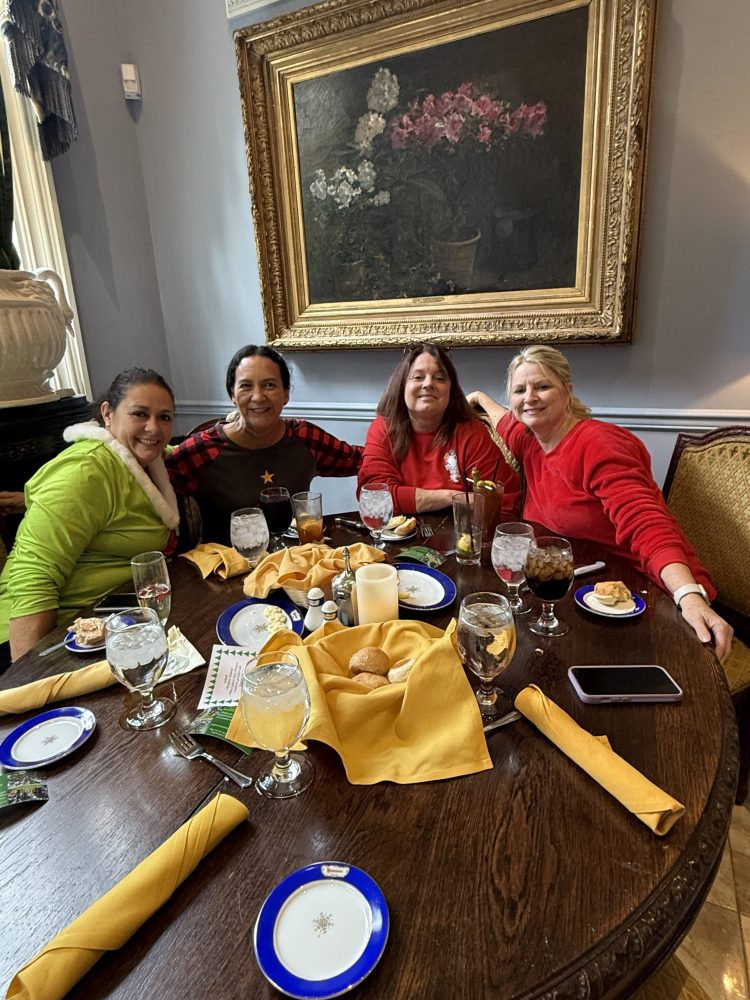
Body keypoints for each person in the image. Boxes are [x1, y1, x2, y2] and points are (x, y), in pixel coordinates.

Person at [469, 345, 733, 661]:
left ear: (567, 391)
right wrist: (480, 398)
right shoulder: (531, 441)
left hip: (649, 597)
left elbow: (645, 523)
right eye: (519, 390)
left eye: (542, 386)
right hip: (582, 589)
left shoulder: (599, 443)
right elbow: (506, 423)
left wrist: (689, 596)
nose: (529, 398)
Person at [0, 368, 180, 666]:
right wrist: (30, 683)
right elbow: (34, 577)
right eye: (139, 414)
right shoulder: (86, 470)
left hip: (111, 622)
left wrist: (233, 427)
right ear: (107, 413)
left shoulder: (146, 461)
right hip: (50, 637)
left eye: (164, 417)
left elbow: (174, 449)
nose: (154, 428)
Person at [166, 345, 363, 544]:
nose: (258, 397)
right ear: (232, 395)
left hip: (291, 562)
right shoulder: (204, 450)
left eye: (269, 385)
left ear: (286, 394)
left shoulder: (304, 438)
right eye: (245, 386)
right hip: (225, 569)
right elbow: (150, 490)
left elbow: (363, 460)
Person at [358, 344, 521, 513]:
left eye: (440, 378)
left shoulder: (471, 432)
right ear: (402, 386)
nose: (428, 384)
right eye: (418, 377)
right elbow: (374, 498)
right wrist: (451, 497)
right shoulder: (382, 428)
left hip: (462, 534)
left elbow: (503, 499)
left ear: (451, 390)